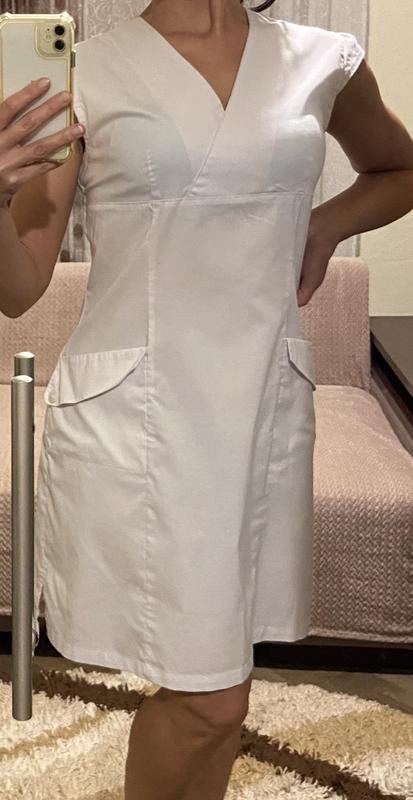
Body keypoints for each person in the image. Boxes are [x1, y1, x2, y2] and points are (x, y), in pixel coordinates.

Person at [2, 1, 413, 798]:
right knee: (209, 696)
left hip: (260, 411)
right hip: (139, 419)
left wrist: (323, 227)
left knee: (223, 690)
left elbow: (397, 169)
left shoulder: (325, 59)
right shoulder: (84, 71)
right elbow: (19, 287)